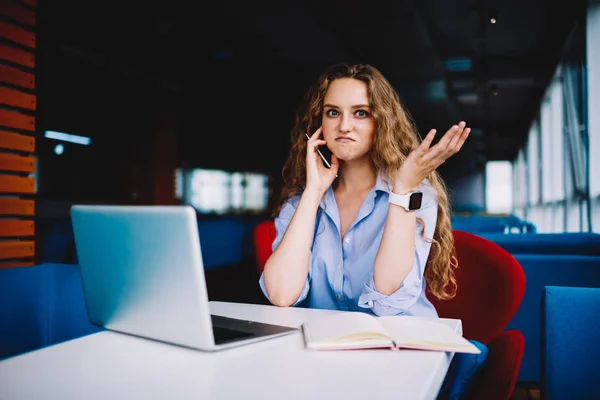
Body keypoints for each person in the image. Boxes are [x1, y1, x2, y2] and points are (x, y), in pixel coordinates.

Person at [258, 63, 485, 399]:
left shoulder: (415, 193)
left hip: (399, 357)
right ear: (319, 123)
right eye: (332, 112)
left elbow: (388, 301)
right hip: (327, 359)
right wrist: (313, 192)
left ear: (382, 122)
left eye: (360, 113)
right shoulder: (301, 200)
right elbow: (280, 294)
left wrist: (403, 190)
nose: (344, 126)